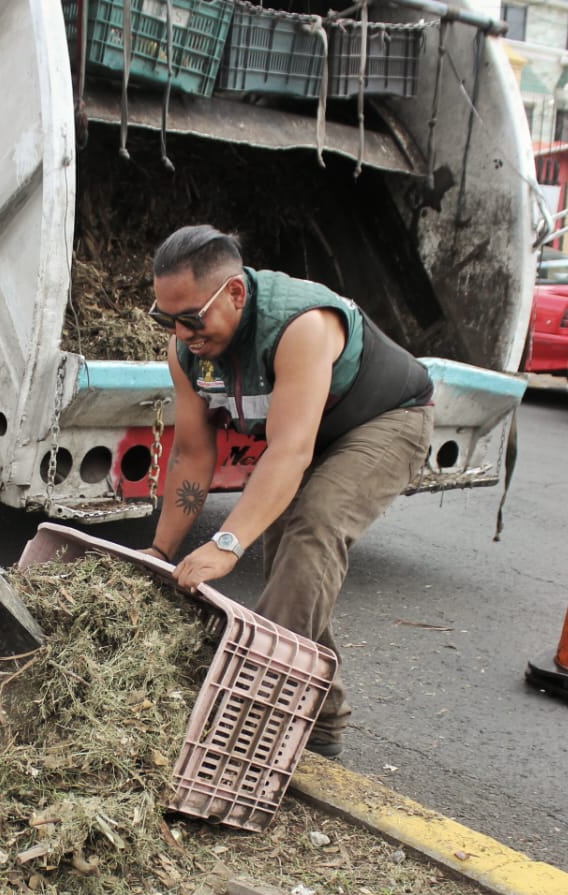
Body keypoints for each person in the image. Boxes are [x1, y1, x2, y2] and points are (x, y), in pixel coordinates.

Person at [142, 225, 434, 758]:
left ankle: (253, 718)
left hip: (385, 421)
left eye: (190, 319)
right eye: (168, 320)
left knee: (313, 526)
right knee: (289, 560)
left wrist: (226, 545)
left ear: (234, 293)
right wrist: (159, 553)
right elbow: (193, 453)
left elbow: (290, 451)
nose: (182, 333)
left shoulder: (300, 325)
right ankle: (323, 716)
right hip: (308, 432)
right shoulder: (187, 351)